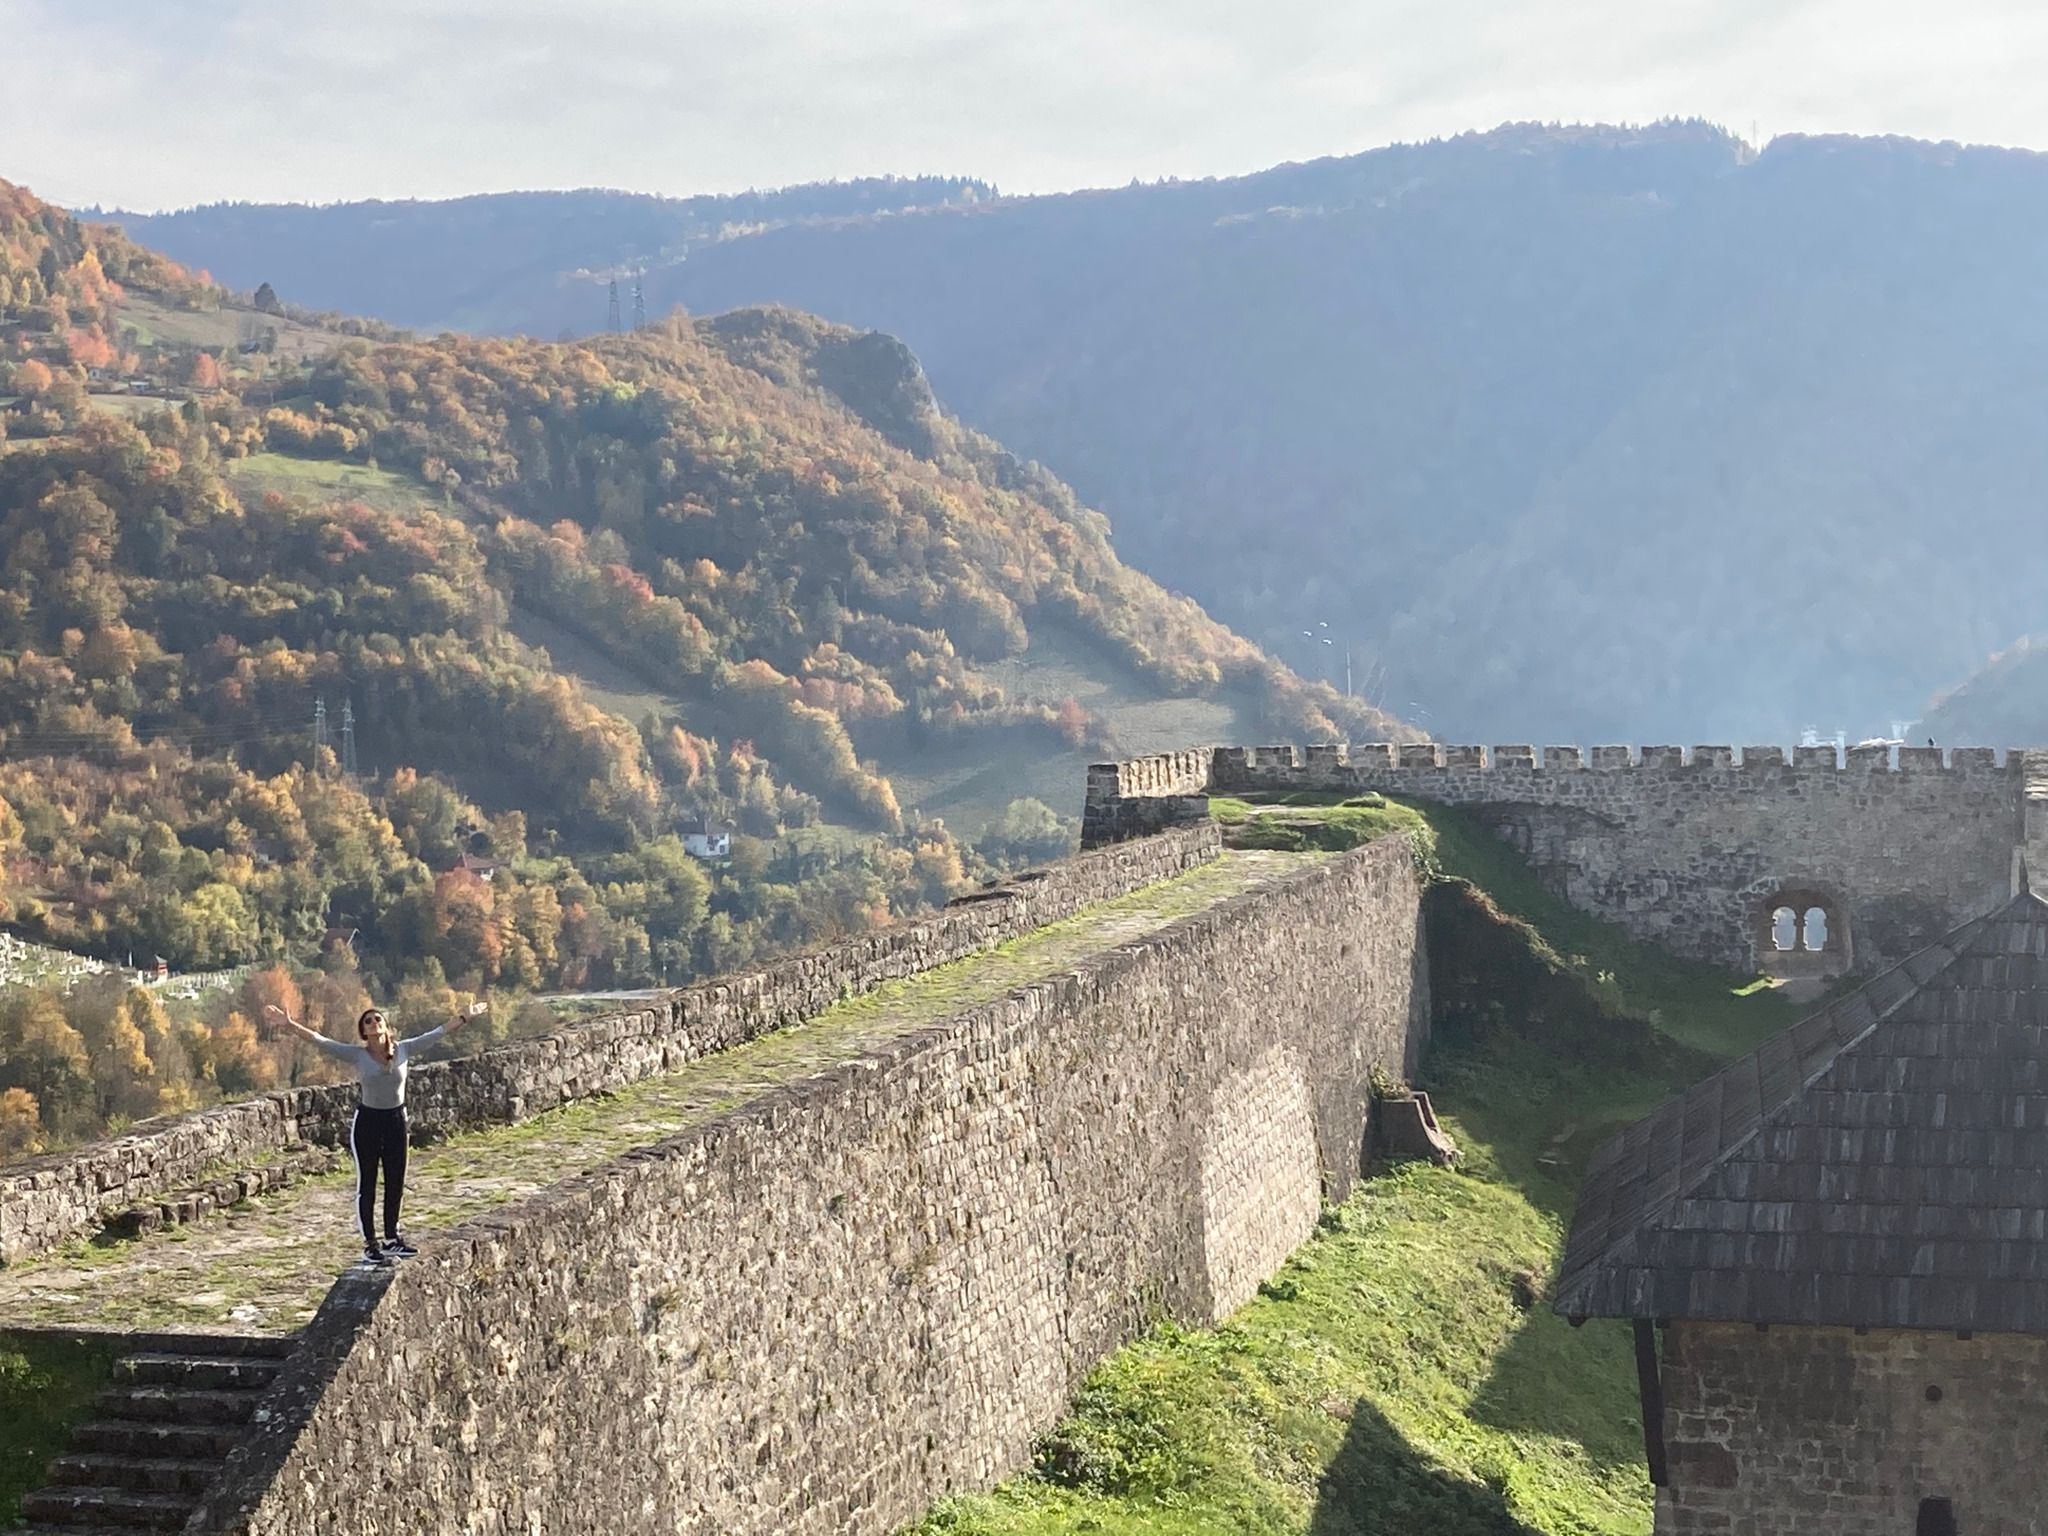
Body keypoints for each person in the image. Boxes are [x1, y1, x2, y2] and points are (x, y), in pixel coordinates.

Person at [262, 999, 487, 1267]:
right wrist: (289, 1025)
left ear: (385, 1026)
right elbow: (320, 1041)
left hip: (396, 1120)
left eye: (377, 1018)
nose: (374, 1022)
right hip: (368, 1122)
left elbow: (438, 1032)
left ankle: (392, 1238)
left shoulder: (404, 1049)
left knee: (395, 1182)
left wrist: (465, 1016)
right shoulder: (358, 1054)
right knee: (367, 1184)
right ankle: (370, 1244)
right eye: (368, 1021)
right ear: (364, 1032)